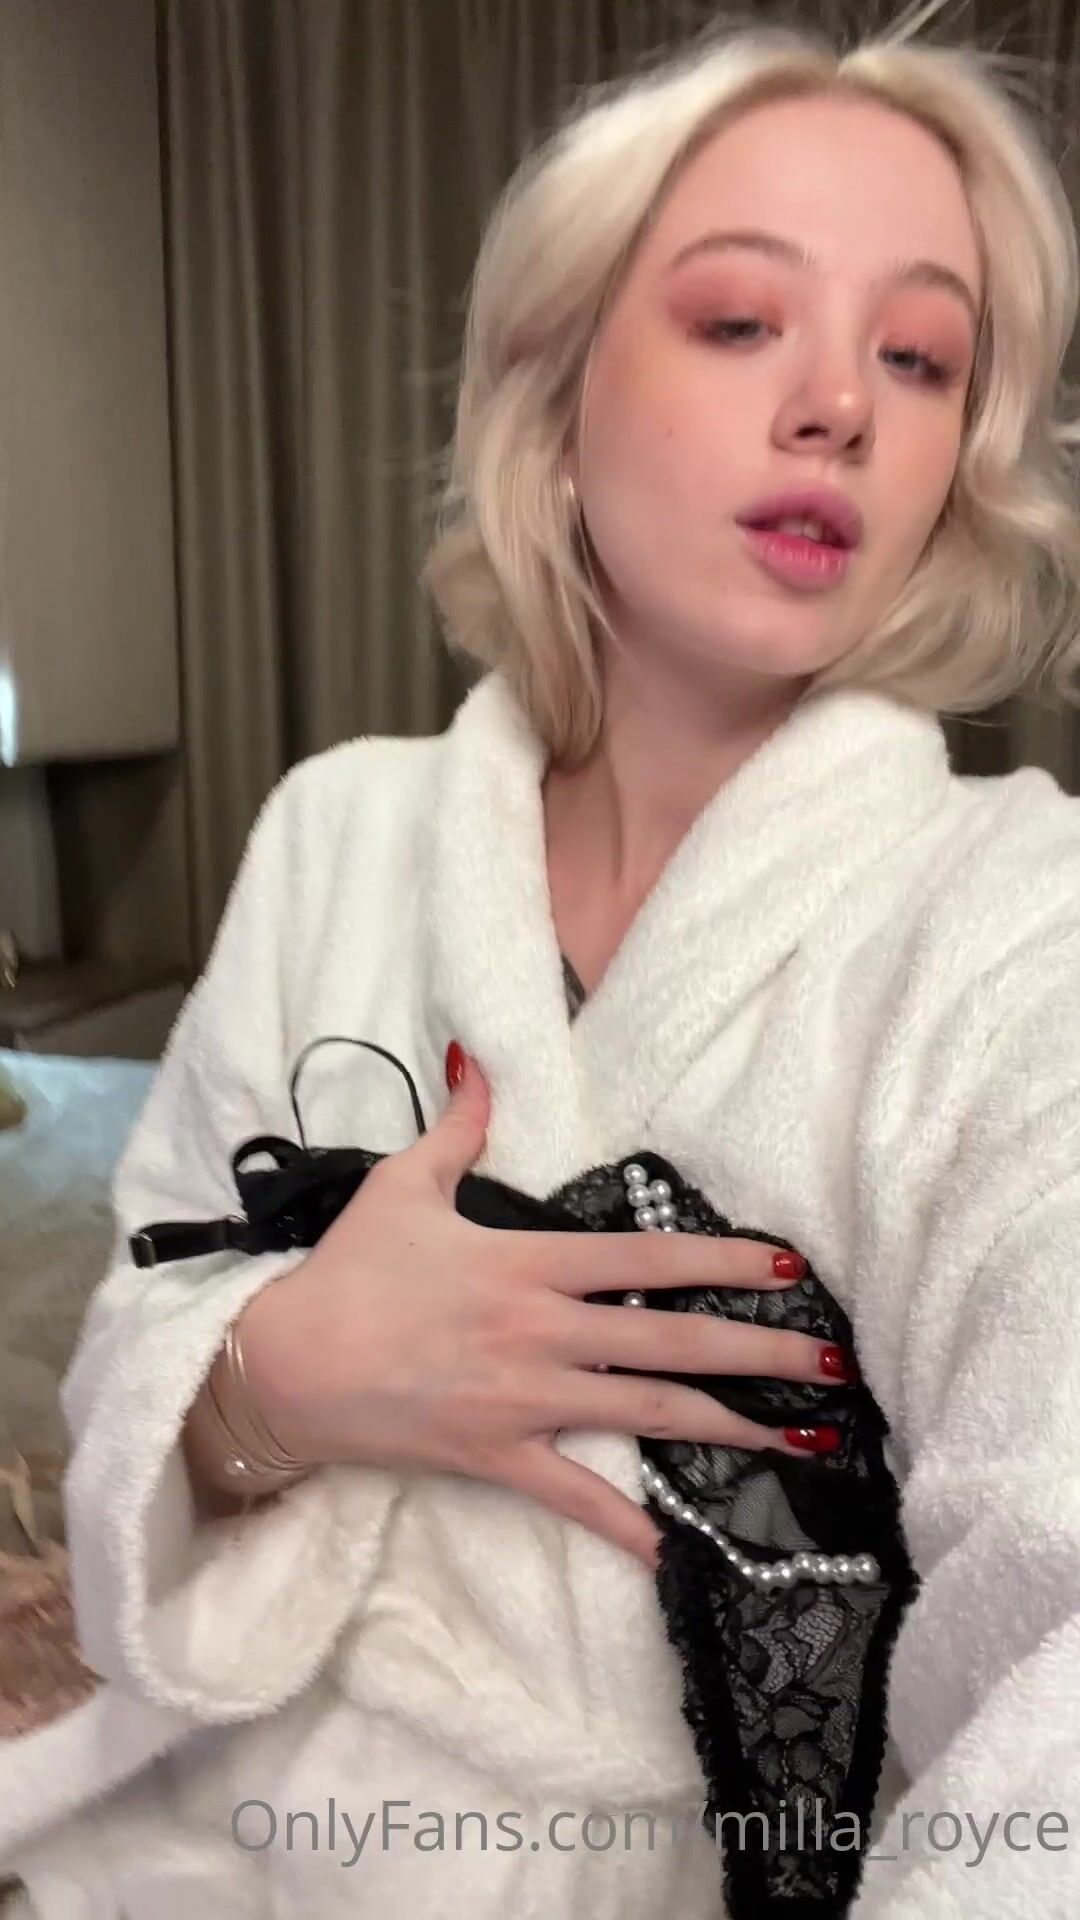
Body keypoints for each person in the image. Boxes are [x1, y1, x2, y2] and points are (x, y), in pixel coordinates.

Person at [3, 10, 1080, 1916]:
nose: (840, 403)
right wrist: (278, 1376)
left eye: (921, 357)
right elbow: (130, 1365)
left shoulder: (1019, 917)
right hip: (231, 1817)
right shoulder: (342, 829)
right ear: (557, 388)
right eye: (740, 319)